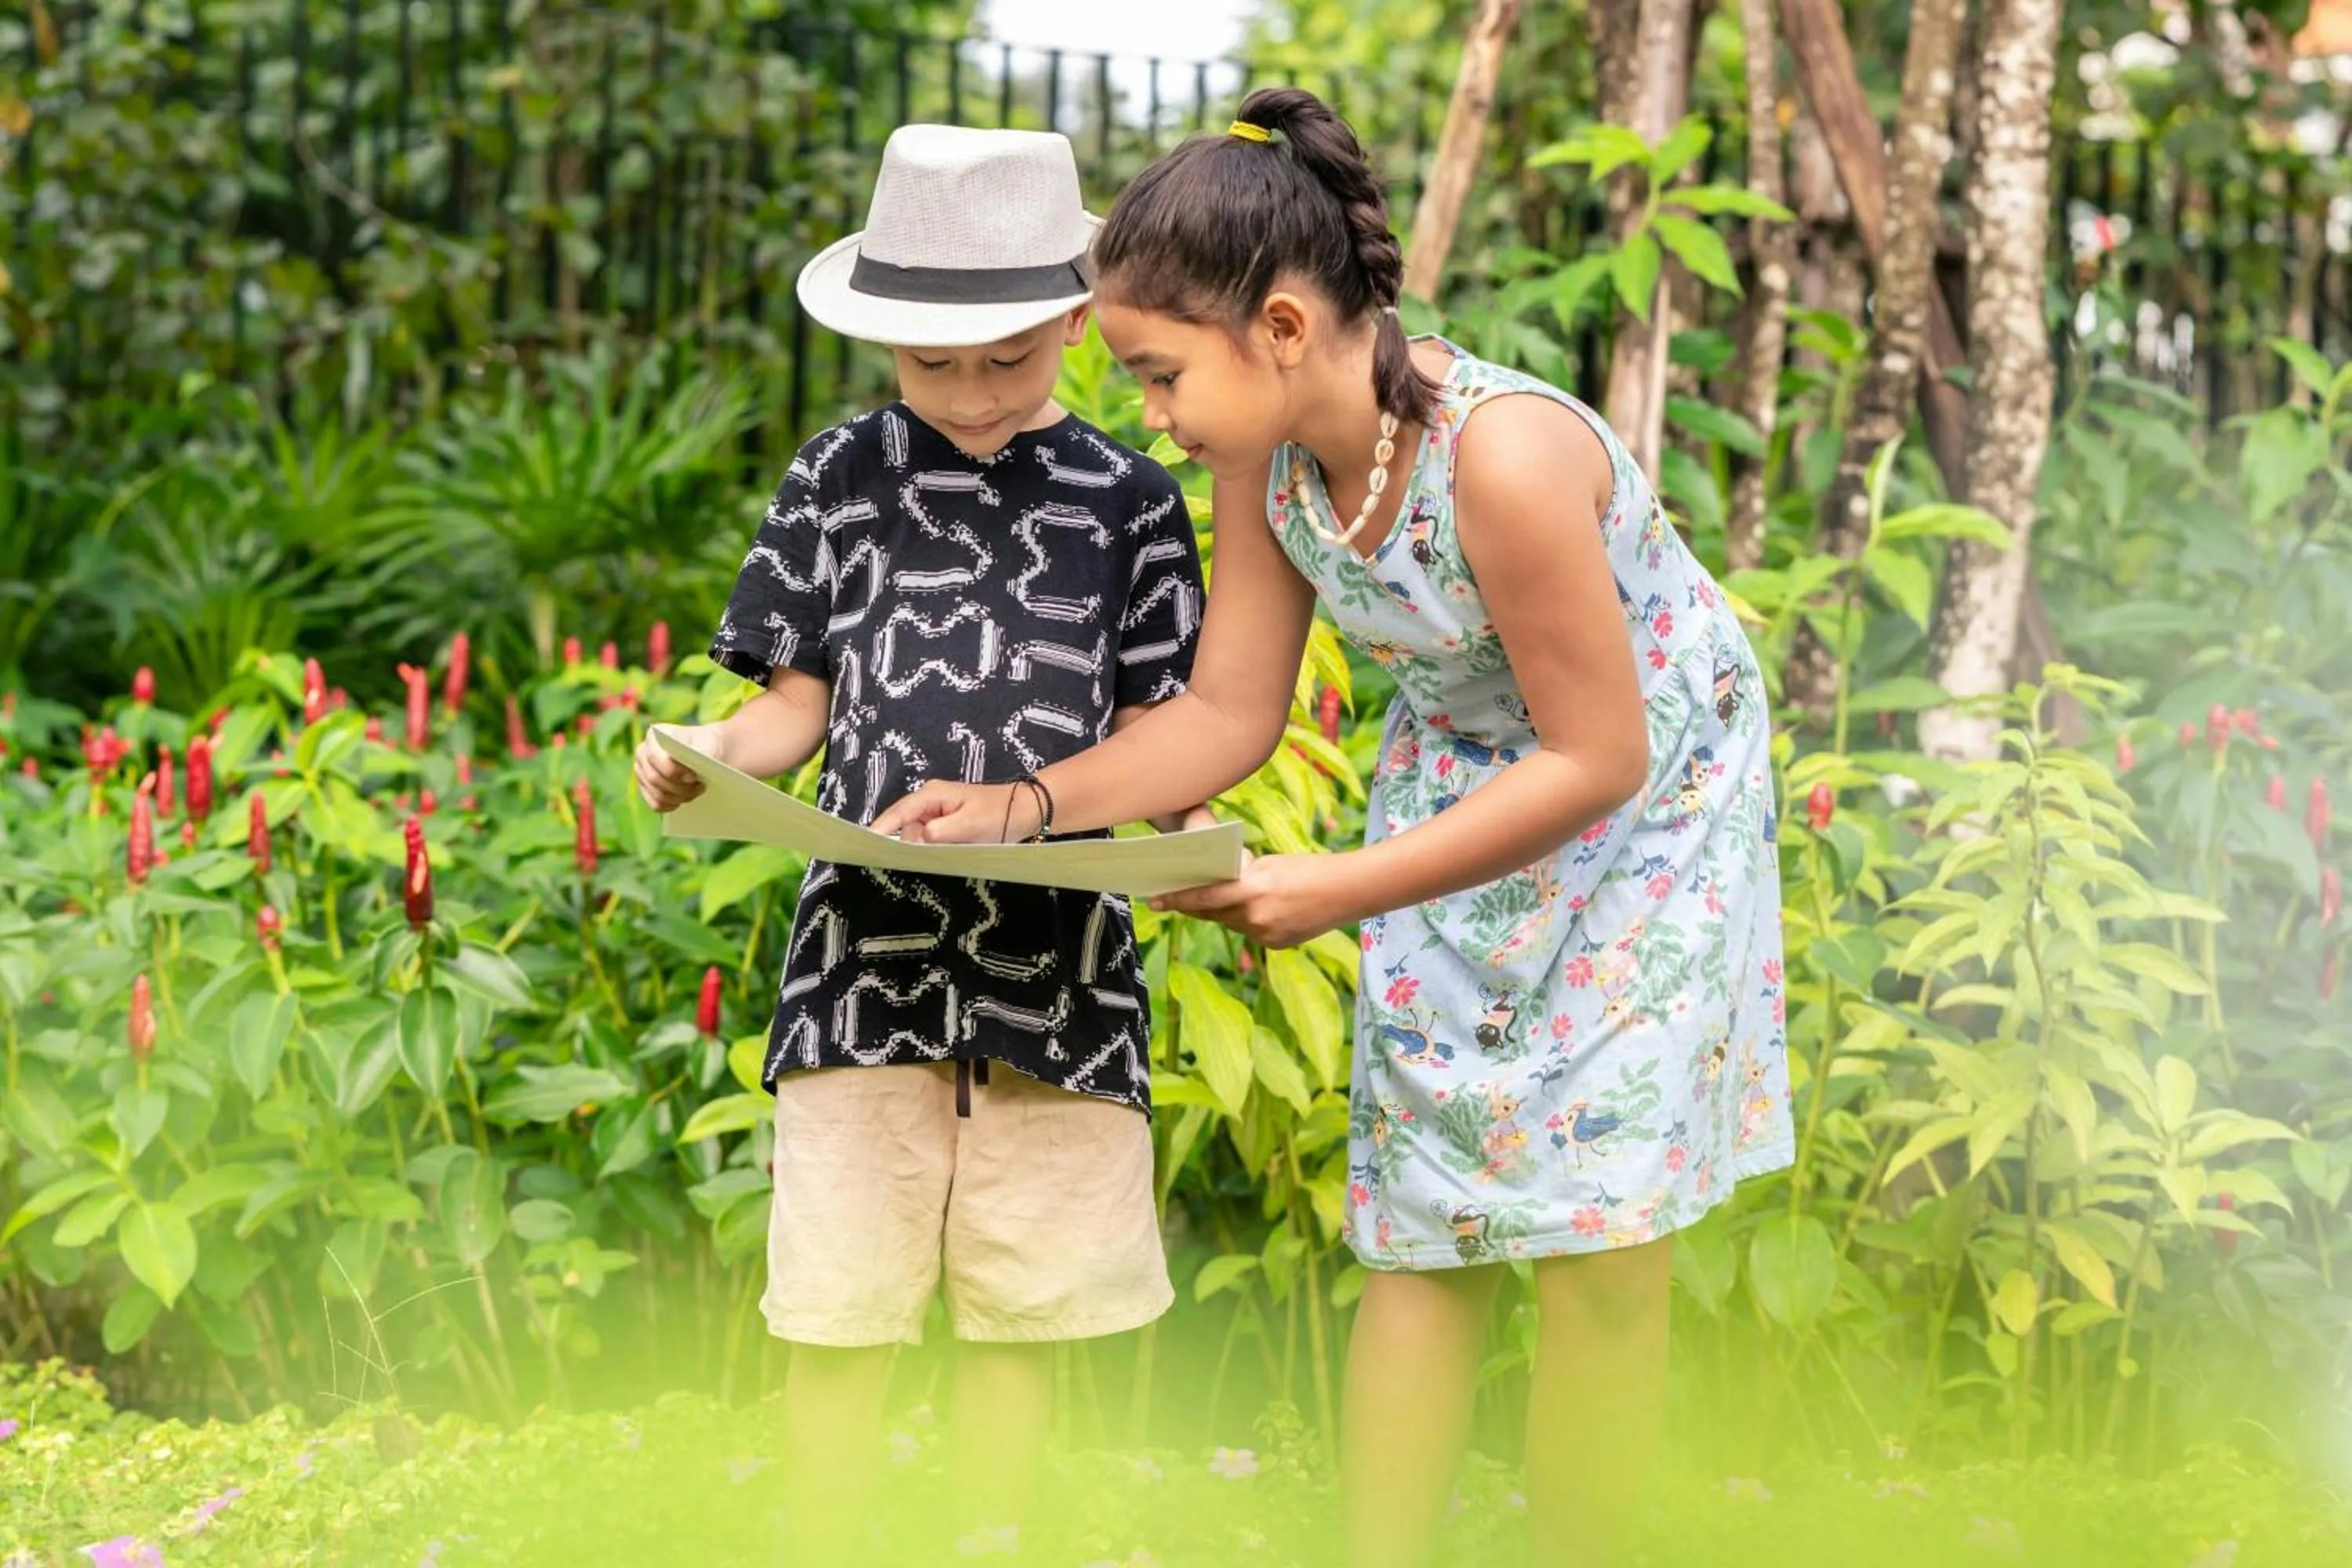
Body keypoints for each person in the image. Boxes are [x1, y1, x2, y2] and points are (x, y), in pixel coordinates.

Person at [871, 88, 1795, 1568]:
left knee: (1599, 1245)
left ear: (1285, 331)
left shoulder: (1503, 457)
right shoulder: (1273, 467)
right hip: (1461, 784)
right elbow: (1230, 713)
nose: (1148, 419)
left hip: (1646, 810)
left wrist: (1345, 887)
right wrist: (1025, 804)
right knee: (1424, 1222)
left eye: (1161, 376)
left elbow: (1600, 752)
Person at [633, 122, 1205, 1565]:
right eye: (931, 364)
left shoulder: (1133, 503)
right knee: (838, 1290)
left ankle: (990, 1538)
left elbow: (1169, 734)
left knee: (1026, 1296)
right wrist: (708, 756)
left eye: (1007, 359)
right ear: (880, 335)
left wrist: (1201, 842)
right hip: (865, 965)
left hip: (1058, 970)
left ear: (1077, 318)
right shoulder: (835, 479)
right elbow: (789, 711)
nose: (970, 393)